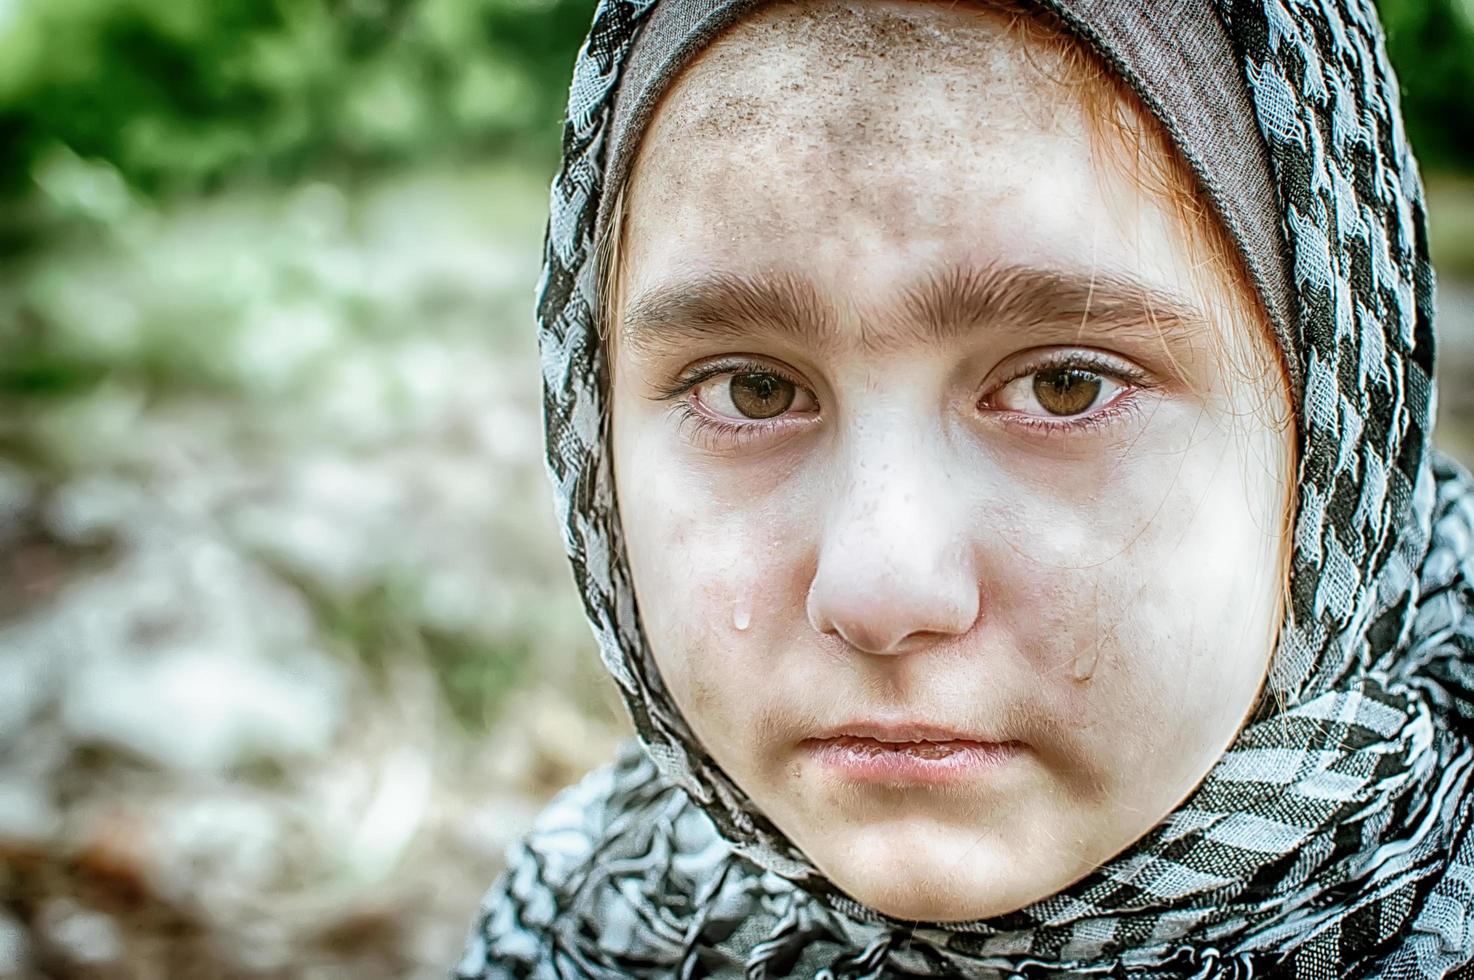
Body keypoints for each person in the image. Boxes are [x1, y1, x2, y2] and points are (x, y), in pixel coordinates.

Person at [459, 0, 1474, 975]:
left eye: (1063, 384)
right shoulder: (584, 912)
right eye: (752, 389)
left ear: (1338, 436)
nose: (881, 591)